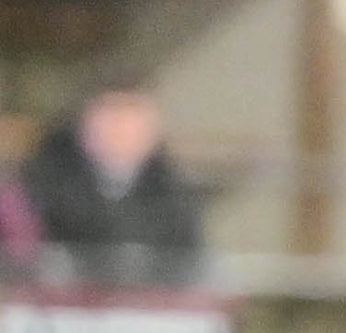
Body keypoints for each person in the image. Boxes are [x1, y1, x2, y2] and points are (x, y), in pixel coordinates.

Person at [19, 78, 210, 288]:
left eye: (133, 116)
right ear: (84, 121)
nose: (122, 127)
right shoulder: (38, 186)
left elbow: (190, 265)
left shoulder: (173, 191)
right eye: (112, 113)